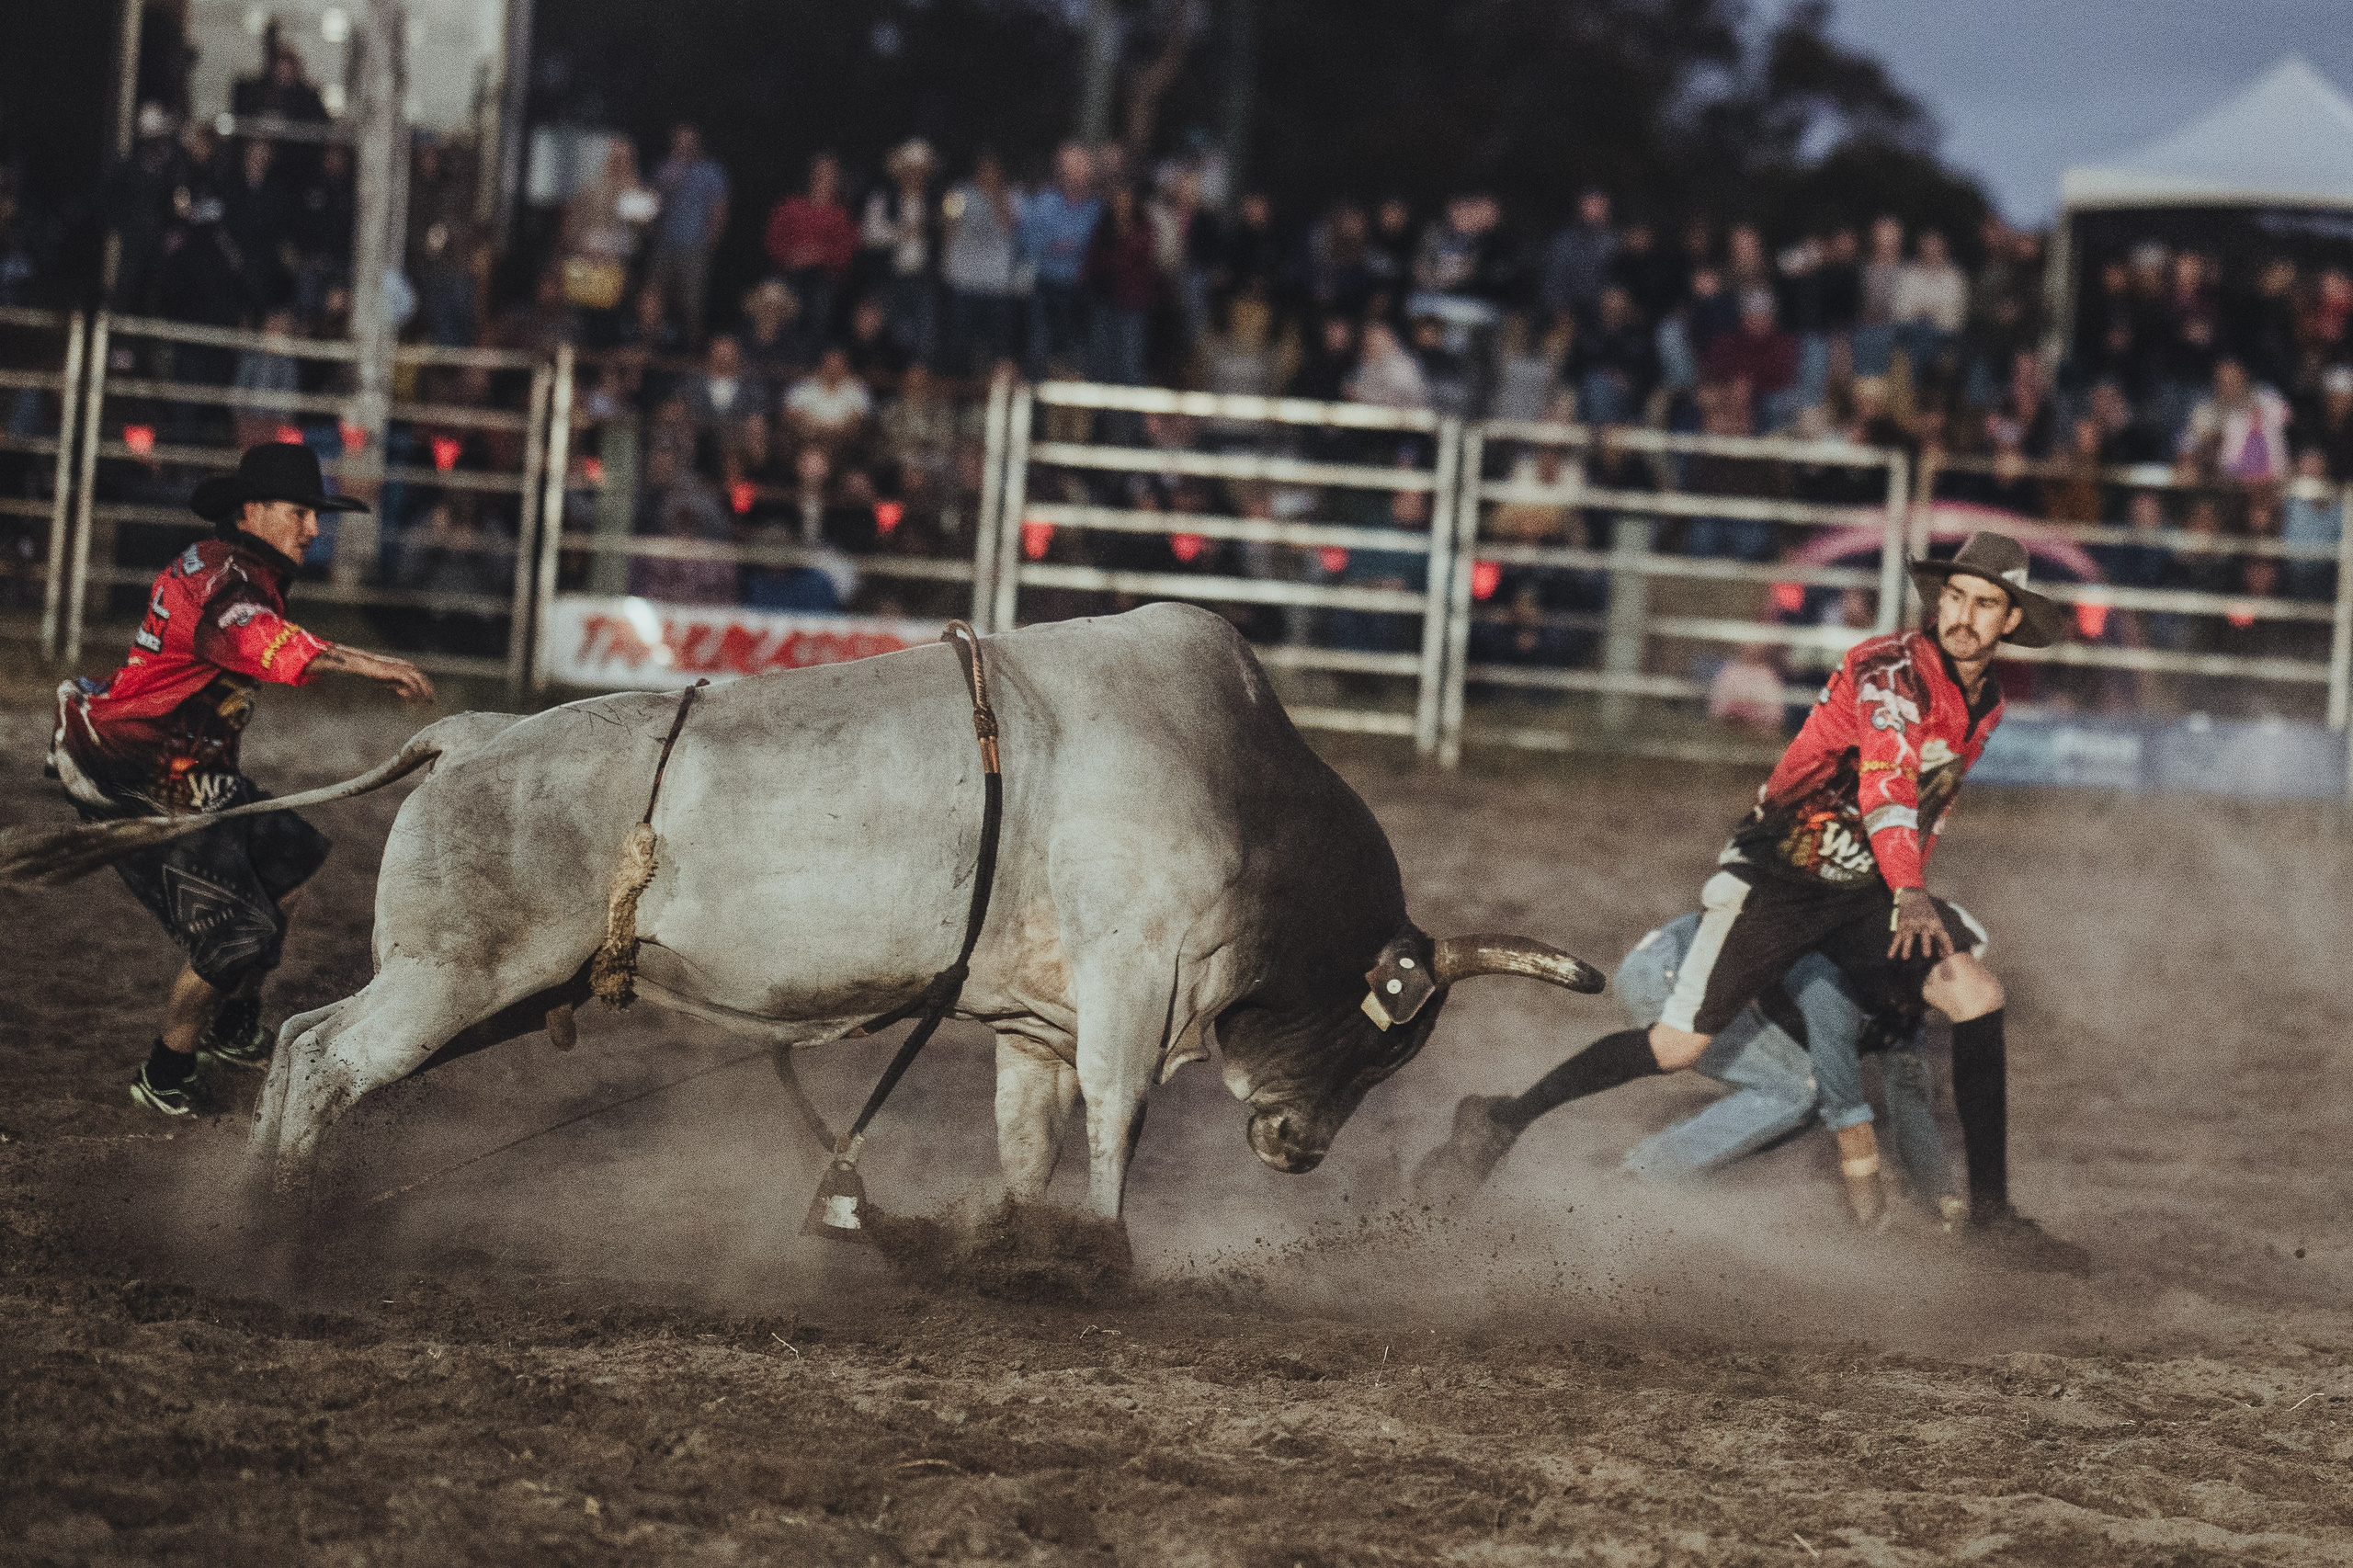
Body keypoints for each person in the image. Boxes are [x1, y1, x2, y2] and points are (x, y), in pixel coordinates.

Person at [1417, 530, 2082, 1262]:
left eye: (1985, 604)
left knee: (1976, 995)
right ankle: (1502, 1121)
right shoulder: (1889, 672)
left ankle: (1990, 1215)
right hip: (1784, 877)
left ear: (2011, 619)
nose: (1964, 615)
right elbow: (1887, 784)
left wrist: (1904, 885)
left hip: (1865, 887)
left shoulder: (1982, 702)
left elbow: (1930, 802)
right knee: (1678, 1045)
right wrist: (1912, 889)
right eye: (1955, 596)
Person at [45, 443, 435, 1117]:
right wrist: (371, 663)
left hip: (189, 765)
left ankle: (231, 1025)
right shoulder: (227, 583)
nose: (313, 528)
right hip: (136, 775)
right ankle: (164, 1071)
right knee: (235, 933)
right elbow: (258, 638)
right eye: (299, 513)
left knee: (287, 871)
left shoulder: (234, 565)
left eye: (317, 514)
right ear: (252, 512)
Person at [1416, 909, 1975, 1229]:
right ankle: (1621, 1175)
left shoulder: (1900, 1003)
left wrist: (1945, 1203)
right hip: (1667, 971)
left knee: (1790, 1093)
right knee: (1799, 1088)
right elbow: (1841, 1098)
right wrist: (1868, 1207)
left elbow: (1911, 1109)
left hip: (1683, 964)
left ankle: (1531, 1129)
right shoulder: (1839, 983)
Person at [648, 123, 730, 343]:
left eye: (688, 140)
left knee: (692, 304)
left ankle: (692, 352)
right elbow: (652, 205)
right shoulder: (664, 168)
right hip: (665, 244)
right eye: (679, 140)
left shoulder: (711, 171)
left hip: (694, 245)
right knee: (656, 299)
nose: (683, 144)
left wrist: (709, 246)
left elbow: (719, 210)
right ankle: (654, 348)